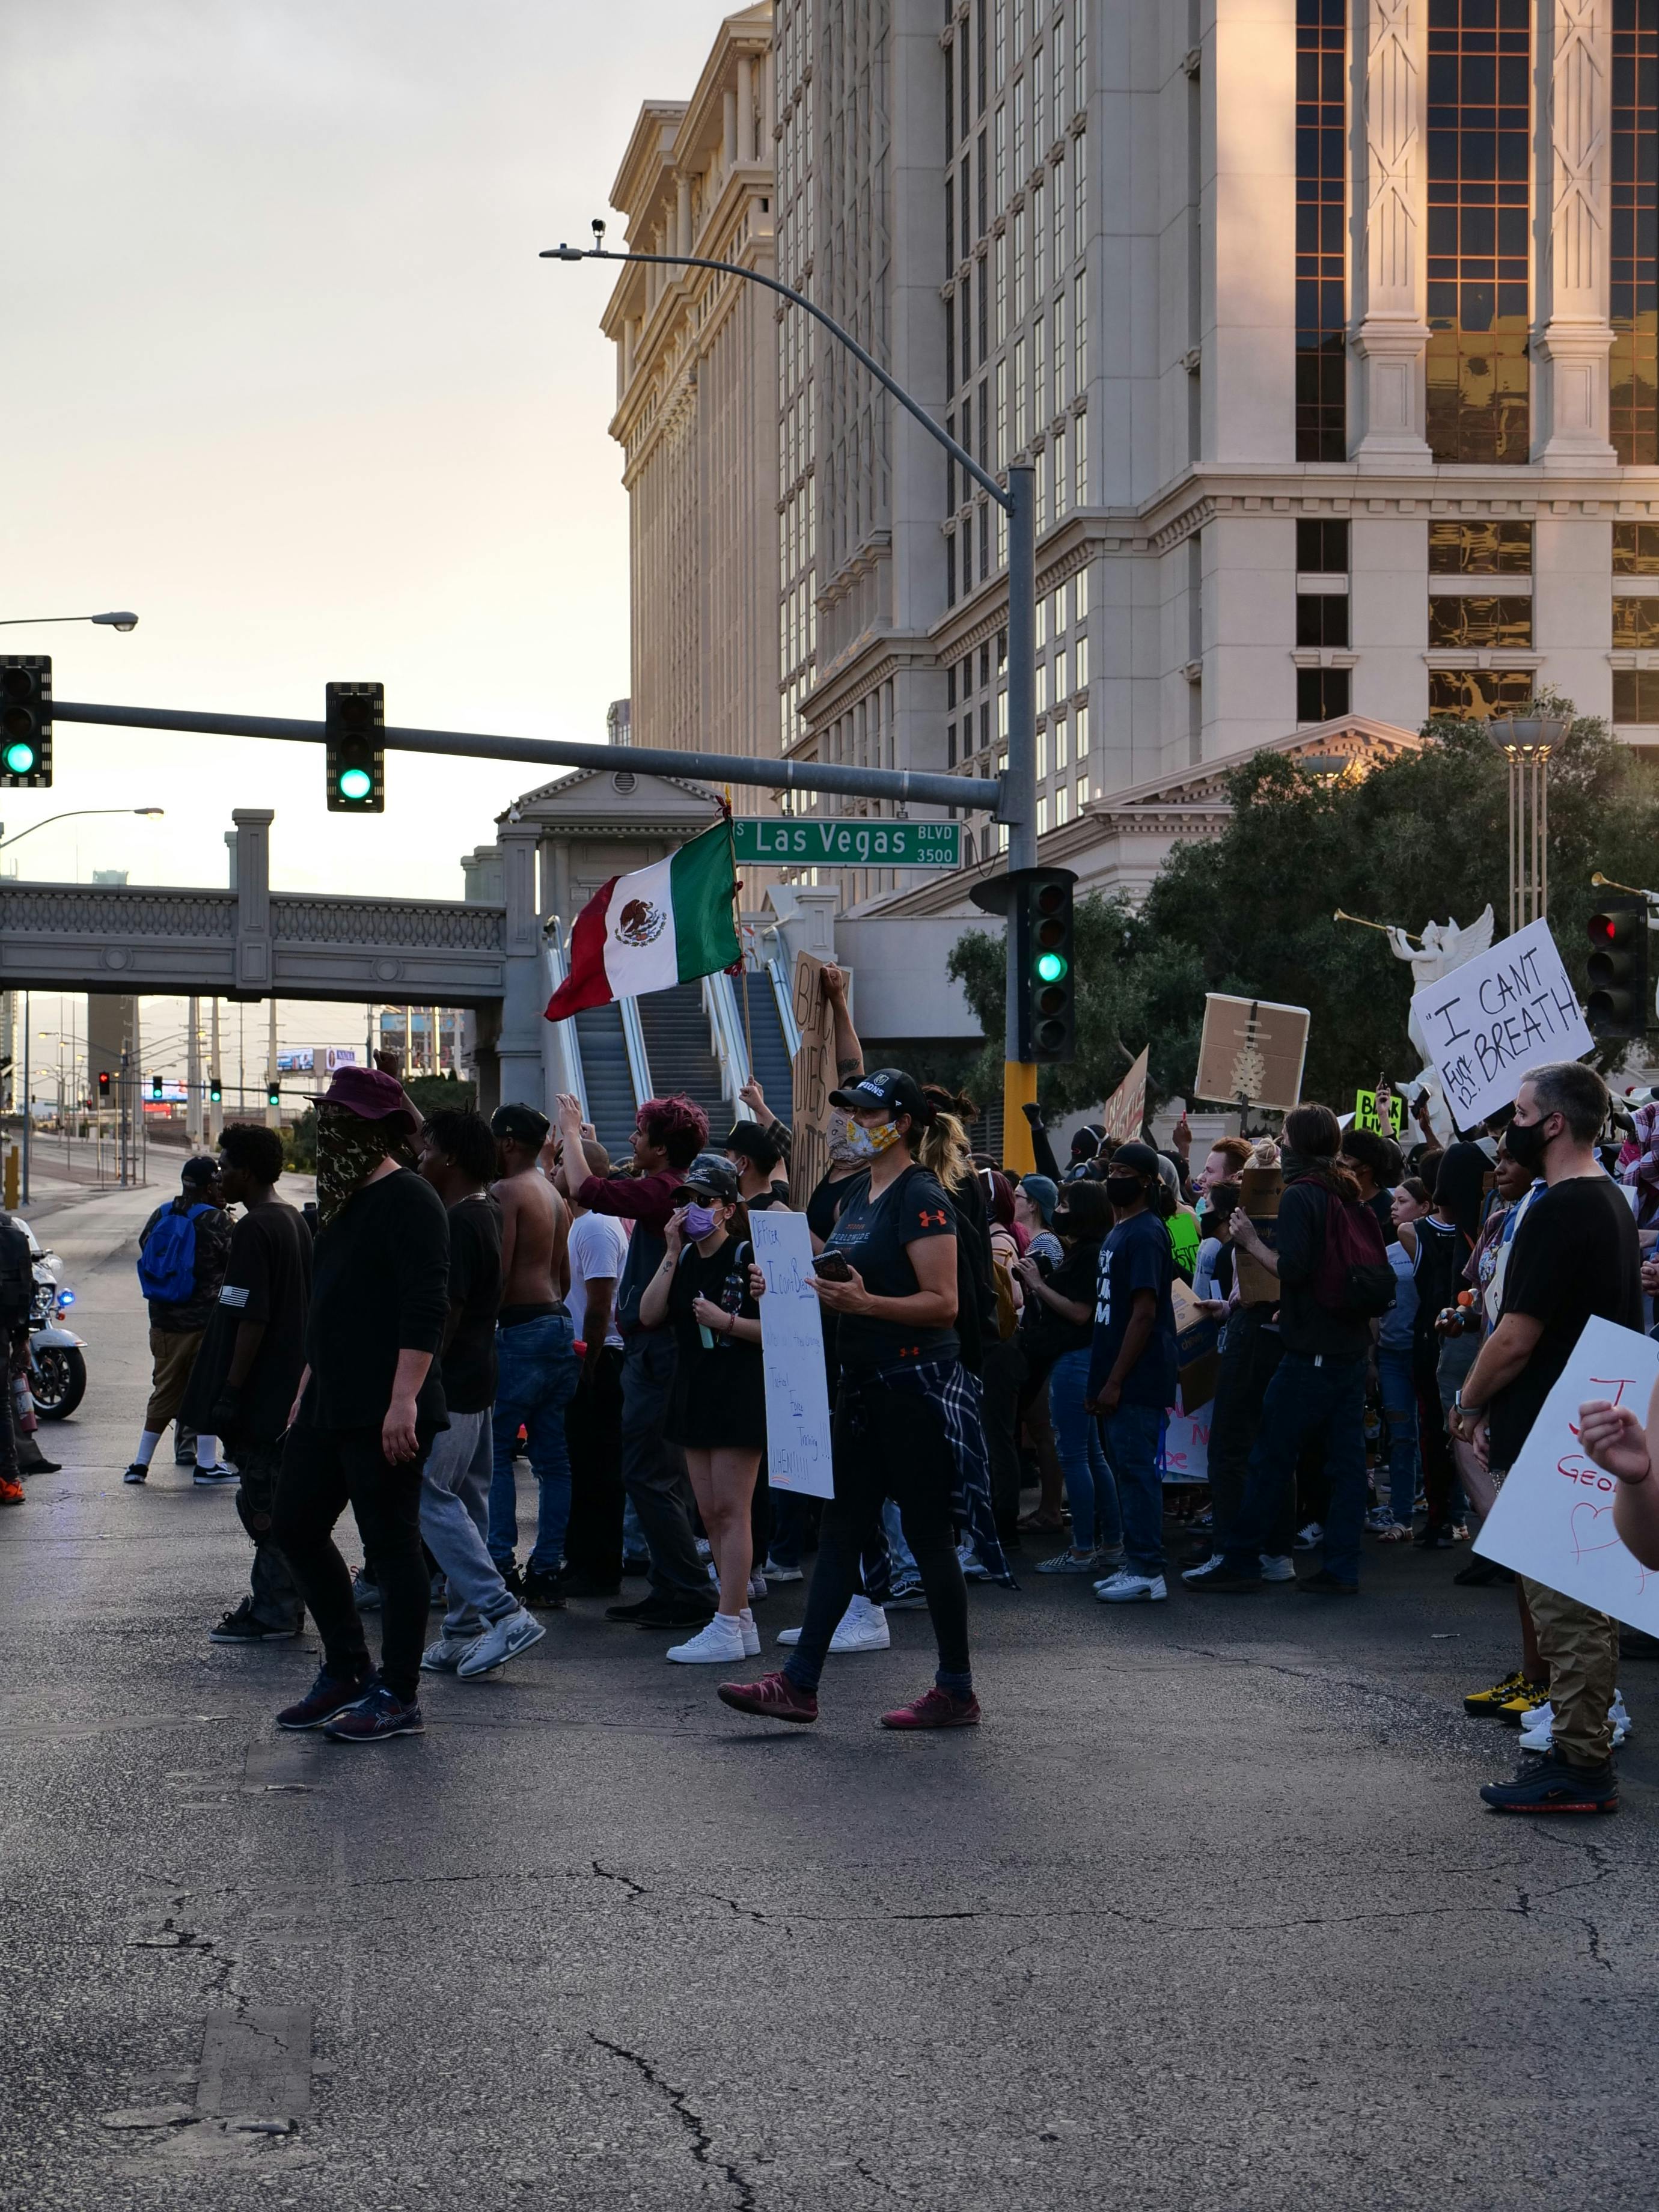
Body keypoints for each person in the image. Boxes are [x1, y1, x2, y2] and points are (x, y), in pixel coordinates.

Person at [720, 1068, 1001, 1730]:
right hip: (865, 1386)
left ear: (899, 1124)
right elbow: (831, 1266)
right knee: (842, 1532)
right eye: (848, 1111)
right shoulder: (859, 1195)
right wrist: (780, 1273)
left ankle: (956, 1688)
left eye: (864, 1114)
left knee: (929, 1539)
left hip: (914, 1387)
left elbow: (944, 1304)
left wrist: (864, 1301)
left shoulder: (920, 1193)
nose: (850, 1122)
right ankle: (799, 1684)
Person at [1446, 1065, 1640, 1815]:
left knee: (1567, 1608)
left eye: (1520, 1113)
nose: (1509, 1128)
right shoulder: (1607, 1198)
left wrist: (1467, 1403)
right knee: (1578, 1603)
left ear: (1553, 1122)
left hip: (1561, 1429)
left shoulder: (1562, 1207)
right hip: (1581, 1424)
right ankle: (1576, 1746)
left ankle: (1581, 1764)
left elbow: (1517, 1337)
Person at [269, 1065, 450, 1744]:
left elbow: (426, 1304)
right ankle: (347, 1666)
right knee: (293, 1526)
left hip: (386, 1405)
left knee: (392, 1545)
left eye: (339, 1118)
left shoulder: (410, 1197)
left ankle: (398, 1693)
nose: (327, 1128)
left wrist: (404, 1398)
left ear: (370, 1129)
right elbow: (332, 1305)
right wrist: (304, 1387)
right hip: (330, 1400)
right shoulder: (340, 1198)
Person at [1196, 1103, 1389, 1598]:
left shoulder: (1303, 1193)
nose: (1278, 1143)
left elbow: (1297, 1267)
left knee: (1269, 1456)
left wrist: (1250, 1241)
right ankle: (1342, 1567)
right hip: (1347, 1345)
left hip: (1312, 1351)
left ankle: (1241, 1559)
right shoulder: (1350, 1191)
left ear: (1299, 1143)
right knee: (1346, 1466)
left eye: (1284, 1135)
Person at [554, 1088, 715, 1631]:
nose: (632, 1139)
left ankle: (687, 1588)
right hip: (660, 1350)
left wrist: (572, 1133)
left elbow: (585, 1188)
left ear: (662, 1147)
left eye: (640, 1133)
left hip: (656, 1351)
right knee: (656, 1473)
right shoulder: (671, 1188)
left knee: (646, 1474)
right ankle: (672, 1585)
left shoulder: (667, 1190)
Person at [415, 1108, 546, 1682]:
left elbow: (447, 1311)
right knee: (467, 1499)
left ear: (449, 1158)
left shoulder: (461, 1222)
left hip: (455, 1383)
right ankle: (463, 1629)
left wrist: (415, 1376)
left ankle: (503, 1613)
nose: (420, 1159)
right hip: (479, 1376)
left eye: (426, 1150)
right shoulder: (485, 1209)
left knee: (428, 1495)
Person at [182, 1123, 312, 1643]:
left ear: (249, 1173)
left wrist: (231, 1391)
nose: (221, 1176)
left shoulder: (255, 1229)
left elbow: (248, 1315)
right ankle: (280, 1600)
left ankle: (277, 1611)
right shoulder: (291, 1221)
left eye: (227, 1166)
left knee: (262, 1504)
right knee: (274, 1499)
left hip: (263, 1394)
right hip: (288, 1388)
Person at [638, 1151, 766, 1664]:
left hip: (736, 1391)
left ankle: (728, 1621)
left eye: (704, 1200)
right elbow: (649, 1314)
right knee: (709, 1514)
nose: (692, 1209)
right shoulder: (687, 1257)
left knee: (733, 1512)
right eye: (687, 1200)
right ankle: (740, 1618)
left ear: (728, 1208)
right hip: (694, 1390)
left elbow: (781, 1334)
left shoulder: (747, 1257)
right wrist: (670, 1250)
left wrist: (725, 1322)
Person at [484, 1103, 578, 1607]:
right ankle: (547, 1568)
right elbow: (562, 1275)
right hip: (557, 1323)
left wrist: (479, 1329)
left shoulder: (507, 1192)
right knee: (552, 1459)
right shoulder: (554, 1195)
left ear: (506, 1143)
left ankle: (500, 1563)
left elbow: (498, 1275)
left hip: (519, 1328)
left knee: (497, 1453)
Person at [1084, 1142, 1181, 1603]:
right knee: (1125, 1470)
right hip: (1115, 1377)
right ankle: (1136, 1560)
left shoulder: (1145, 1233)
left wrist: (1116, 1380)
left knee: (1137, 1472)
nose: (1111, 1178)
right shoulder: (1120, 1231)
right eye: (1110, 1169)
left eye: (1122, 1171)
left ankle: (1147, 1569)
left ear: (1145, 1181)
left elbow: (1144, 1313)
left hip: (1137, 1380)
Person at [1015, 1181, 1120, 1575]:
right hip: (1082, 1359)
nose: (1059, 1209)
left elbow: (1080, 1313)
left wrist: (1039, 1285)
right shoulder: (1087, 1251)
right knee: (1091, 1455)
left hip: (1076, 1360)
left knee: (1075, 1455)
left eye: (1066, 1203)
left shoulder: (1089, 1255)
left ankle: (1083, 1549)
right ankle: (1110, 1543)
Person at [125, 1155, 234, 1486]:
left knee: (164, 1391)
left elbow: (147, 1249)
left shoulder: (161, 1214)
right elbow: (238, 1261)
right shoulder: (217, 1221)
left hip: (163, 1322)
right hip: (205, 1323)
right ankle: (206, 1465)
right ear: (208, 1185)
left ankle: (139, 1465)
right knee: (208, 1391)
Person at [557, 1135, 630, 1598]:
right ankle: (584, 1560)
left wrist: (591, 1361)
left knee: (597, 1469)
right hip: (591, 1355)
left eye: (564, 1162)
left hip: (599, 1358)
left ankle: (599, 1568)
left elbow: (600, 1304)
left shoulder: (595, 1227)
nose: (556, 1169)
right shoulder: (582, 1223)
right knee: (583, 1465)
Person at [1372, 1177, 1429, 1541]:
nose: (1394, 1206)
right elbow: (1375, 1312)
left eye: (1404, 1201)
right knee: (1402, 1438)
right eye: (1393, 1200)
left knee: (1440, 1437)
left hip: (1427, 1353)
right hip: (1392, 1356)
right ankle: (1403, 1517)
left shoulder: (1440, 1247)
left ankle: (1453, 1516)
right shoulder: (1386, 1251)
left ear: (1425, 1208)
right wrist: (1371, 1358)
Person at [724, 1117, 790, 1210]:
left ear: (743, 1162)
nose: (724, 1161)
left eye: (726, 1155)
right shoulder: (784, 1194)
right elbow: (779, 1163)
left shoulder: (741, 1215)